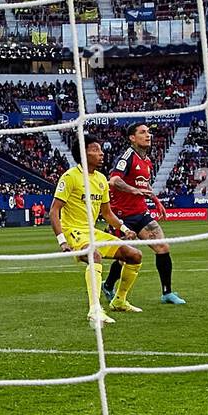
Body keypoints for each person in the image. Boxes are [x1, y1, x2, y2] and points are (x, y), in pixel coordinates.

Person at [49, 134, 144, 325]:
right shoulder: (70, 177)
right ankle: (94, 309)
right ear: (84, 153)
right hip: (74, 232)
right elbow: (54, 211)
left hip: (92, 232)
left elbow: (107, 213)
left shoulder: (101, 179)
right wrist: (62, 241)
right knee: (95, 255)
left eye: (100, 150)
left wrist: (124, 229)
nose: (101, 153)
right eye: (95, 150)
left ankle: (119, 300)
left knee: (134, 255)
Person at [102, 123, 186, 305]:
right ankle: (108, 285)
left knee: (162, 248)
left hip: (141, 213)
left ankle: (167, 293)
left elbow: (145, 186)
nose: (148, 135)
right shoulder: (127, 157)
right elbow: (114, 180)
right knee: (126, 257)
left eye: (149, 132)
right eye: (143, 132)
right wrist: (132, 190)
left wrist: (157, 202)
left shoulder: (146, 160)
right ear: (132, 137)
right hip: (122, 215)